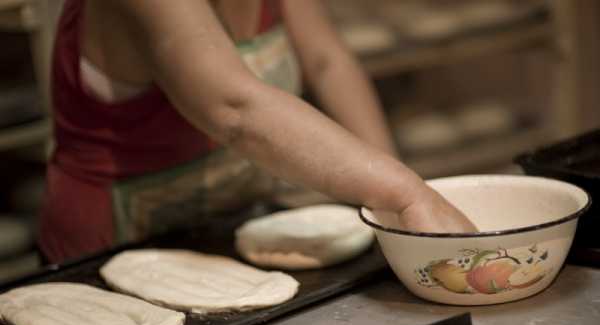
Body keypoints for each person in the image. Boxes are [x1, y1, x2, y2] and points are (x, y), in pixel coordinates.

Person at [39, 0, 476, 264]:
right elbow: (233, 108)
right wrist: (405, 192)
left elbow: (327, 62)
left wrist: (393, 221)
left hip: (228, 229)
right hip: (114, 246)